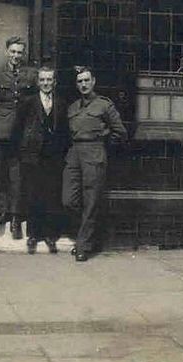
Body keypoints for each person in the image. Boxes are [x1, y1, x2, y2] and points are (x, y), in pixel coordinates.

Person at [62, 66, 127, 262]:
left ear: (93, 81)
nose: (83, 84)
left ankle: (83, 245)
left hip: (94, 153)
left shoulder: (104, 105)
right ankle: (86, 238)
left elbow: (120, 132)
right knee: (69, 200)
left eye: (86, 80)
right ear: (76, 84)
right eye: (80, 81)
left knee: (91, 201)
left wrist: (102, 145)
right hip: (74, 154)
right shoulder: (72, 107)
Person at [15, 66, 69, 254]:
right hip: (32, 156)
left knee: (51, 195)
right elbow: (18, 128)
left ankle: (49, 235)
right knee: (32, 195)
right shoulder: (28, 102)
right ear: (38, 82)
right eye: (43, 80)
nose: (46, 83)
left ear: (54, 82)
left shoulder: (61, 103)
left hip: (53, 157)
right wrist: (23, 152)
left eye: (49, 80)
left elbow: (64, 131)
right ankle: (33, 235)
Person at [0, 36, 38, 239]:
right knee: (1, 173)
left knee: (17, 176)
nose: (16, 56)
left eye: (20, 52)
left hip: (22, 132)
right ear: (7, 51)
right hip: (1, 131)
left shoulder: (31, 74)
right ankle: (1, 212)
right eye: (13, 51)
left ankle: (16, 218)